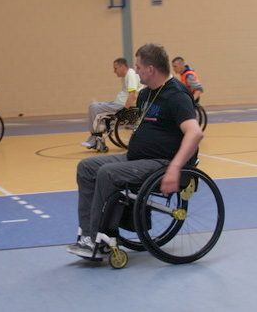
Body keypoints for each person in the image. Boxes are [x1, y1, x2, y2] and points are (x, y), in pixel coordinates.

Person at [67, 43, 203, 259]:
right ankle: (89, 235)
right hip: (135, 158)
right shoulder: (146, 94)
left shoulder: (176, 95)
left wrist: (174, 168)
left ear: (151, 69)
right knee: (86, 167)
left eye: (138, 67)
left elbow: (194, 133)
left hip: (161, 162)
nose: (136, 71)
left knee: (107, 173)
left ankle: (97, 238)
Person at [81, 58, 142, 150]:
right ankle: (98, 133)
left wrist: (124, 110)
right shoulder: (127, 75)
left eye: (115, 68)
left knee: (94, 108)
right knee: (93, 105)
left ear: (123, 67)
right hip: (118, 103)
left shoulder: (130, 75)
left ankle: (95, 137)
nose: (114, 71)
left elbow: (133, 95)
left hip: (122, 106)